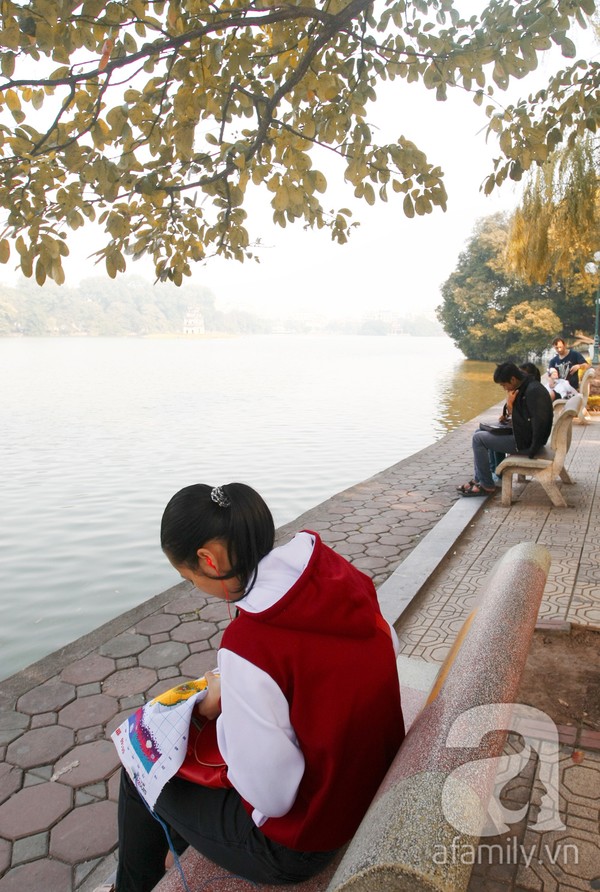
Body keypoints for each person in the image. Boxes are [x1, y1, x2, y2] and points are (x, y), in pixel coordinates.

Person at [115, 482, 405, 892]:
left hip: (305, 841)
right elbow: (387, 646)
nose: (193, 585)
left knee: (139, 765)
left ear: (208, 560)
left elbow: (272, 799)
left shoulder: (250, 646)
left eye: (188, 577)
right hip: (370, 778)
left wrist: (230, 711)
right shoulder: (334, 572)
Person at [458, 362, 553, 496]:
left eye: (504, 385)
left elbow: (535, 423)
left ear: (513, 379)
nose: (504, 389)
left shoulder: (533, 391)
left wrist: (510, 406)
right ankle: (479, 479)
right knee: (479, 432)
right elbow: (525, 419)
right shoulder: (526, 385)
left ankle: (486, 485)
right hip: (525, 438)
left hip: (527, 444)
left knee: (478, 439)